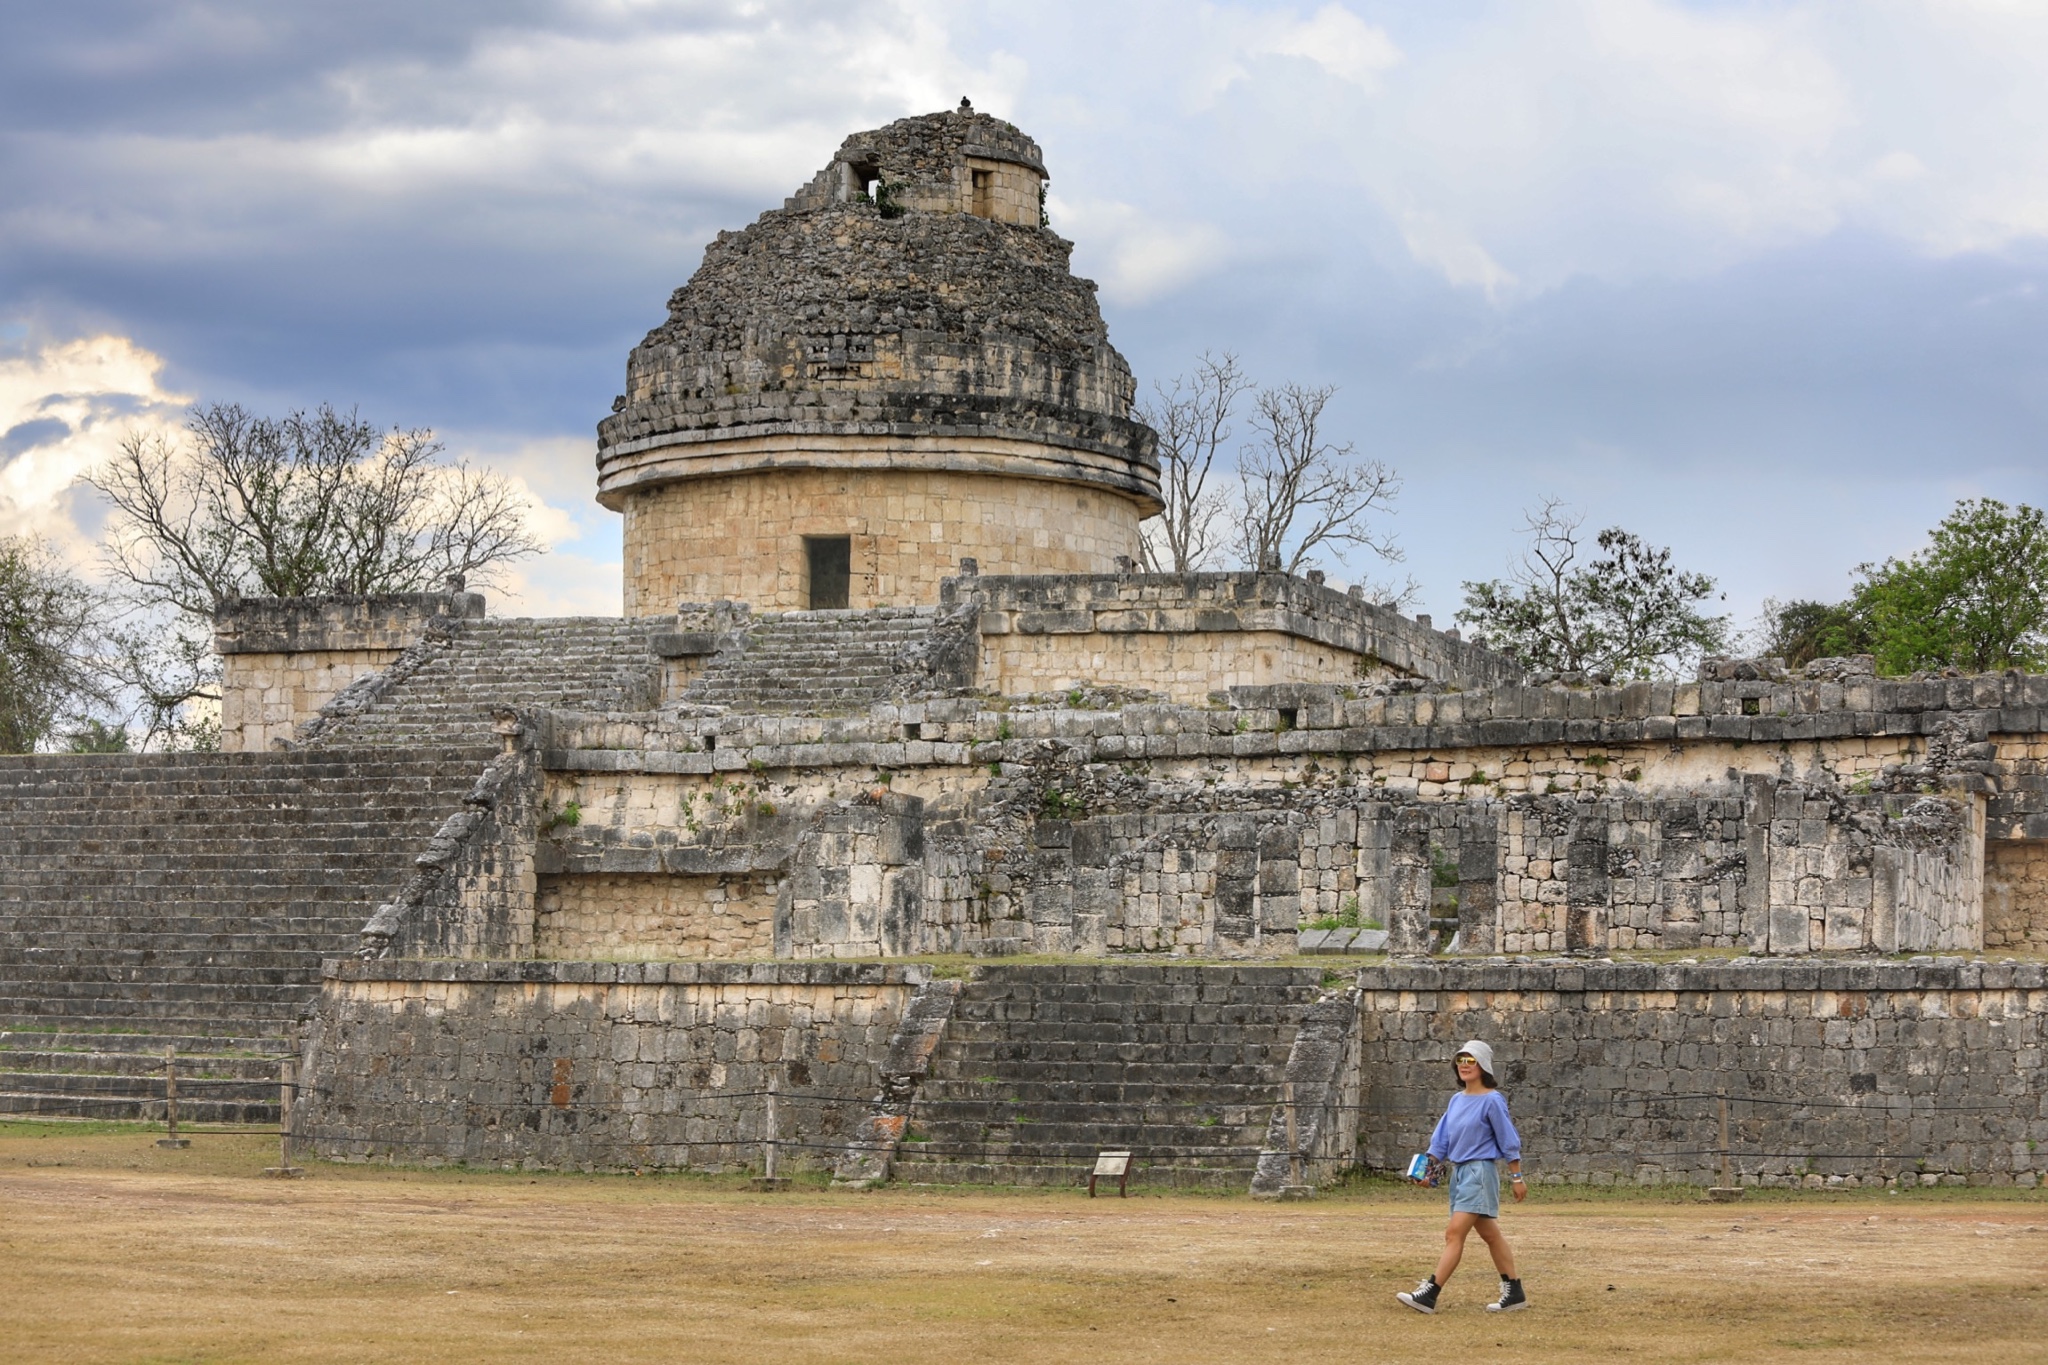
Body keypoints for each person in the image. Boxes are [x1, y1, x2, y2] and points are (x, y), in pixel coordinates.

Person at [1396, 1039, 1528, 1314]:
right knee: (1490, 1235)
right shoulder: (1456, 1100)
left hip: (1480, 1172)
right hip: (1460, 1174)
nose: (1464, 1066)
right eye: (1460, 1060)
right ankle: (1514, 1291)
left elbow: (1508, 1140)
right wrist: (1426, 1171)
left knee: (1454, 1233)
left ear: (1483, 1066)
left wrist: (1517, 1178)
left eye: (1471, 1060)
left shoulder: (1492, 1100)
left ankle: (1430, 1293)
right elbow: (1441, 1142)